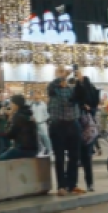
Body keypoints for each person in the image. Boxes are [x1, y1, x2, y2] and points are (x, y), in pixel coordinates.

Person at [47, 66, 83, 195]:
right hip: (58, 125)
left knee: (74, 157)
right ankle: (61, 186)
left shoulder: (71, 89)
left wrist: (81, 79)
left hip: (73, 124)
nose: (63, 75)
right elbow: (52, 86)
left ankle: (72, 184)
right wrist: (63, 76)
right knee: (60, 157)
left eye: (64, 72)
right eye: (60, 72)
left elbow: (82, 94)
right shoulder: (53, 89)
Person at [76, 75, 101, 191]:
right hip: (88, 132)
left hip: (80, 130)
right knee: (87, 159)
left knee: (78, 158)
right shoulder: (92, 93)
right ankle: (89, 184)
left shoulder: (80, 101)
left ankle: (75, 184)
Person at [0, 94, 39, 160]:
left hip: (22, 149)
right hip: (34, 149)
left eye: (11, 103)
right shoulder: (28, 113)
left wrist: (9, 120)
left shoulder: (17, 116)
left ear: (16, 104)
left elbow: (10, 135)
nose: (10, 106)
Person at [31, 91, 52, 157]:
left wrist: (42, 120)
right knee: (37, 139)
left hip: (42, 123)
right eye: (34, 95)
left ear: (40, 96)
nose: (35, 96)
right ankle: (40, 150)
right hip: (34, 124)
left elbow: (47, 115)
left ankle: (50, 150)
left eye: (37, 95)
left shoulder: (43, 104)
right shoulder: (32, 104)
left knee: (45, 137)